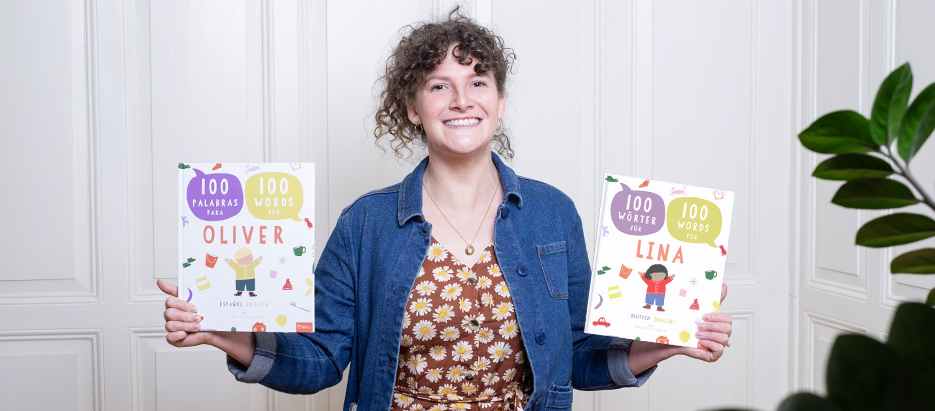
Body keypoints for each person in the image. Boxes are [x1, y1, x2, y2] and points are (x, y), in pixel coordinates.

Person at [158, 8, 732, 410]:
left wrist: (669, 340)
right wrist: (223, 334)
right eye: (439, 86)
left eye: (478, 81)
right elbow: (321, 363)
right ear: (412, 107)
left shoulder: (553, 214)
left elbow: (580, 360)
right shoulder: (365, 225)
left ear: (500, 102)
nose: (461, 99)